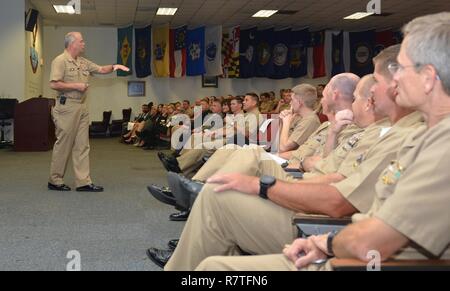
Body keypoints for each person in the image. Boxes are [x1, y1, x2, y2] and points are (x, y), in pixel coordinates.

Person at [196, 12, 450, 271]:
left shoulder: (441, 145)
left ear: (428, 77)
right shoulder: (425, 135)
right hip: (342, 241)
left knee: (215, 267)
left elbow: (365, 233)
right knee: (214, 263)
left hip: (352, 256)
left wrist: (328, 241)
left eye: (400, 69)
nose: (392, 79)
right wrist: (330, 242)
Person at [47, 32, 129, 192]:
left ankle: (83, 181)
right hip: (67, 107)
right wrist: (76, 86)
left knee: (82, 146)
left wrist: (114, 67)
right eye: (81, 41)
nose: (84, 44)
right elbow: (54, 84)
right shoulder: (60, 60)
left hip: (81, 107)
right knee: (63, 145)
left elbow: (101, 69)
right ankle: (55, 180)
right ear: (72, 44)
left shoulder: (83, 62)